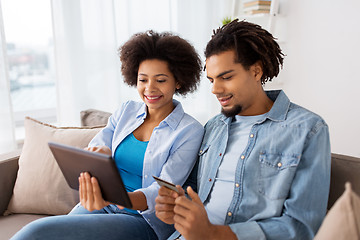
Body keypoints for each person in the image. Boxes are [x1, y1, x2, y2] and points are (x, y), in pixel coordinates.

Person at [11, 30, 204, 240]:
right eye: (143, 80)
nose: (150, 88)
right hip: (103, 206)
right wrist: (101, 153)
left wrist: (119, 199)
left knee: (37, 231)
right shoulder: (126, 111)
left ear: (178, 81)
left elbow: (163, 190)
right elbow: (98, 147)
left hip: (142, 220)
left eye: (160, 80)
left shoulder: (189, 131)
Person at [155, 19, 331, 240]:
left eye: (226, 77)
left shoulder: (308, 129)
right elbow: (194, 194)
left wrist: (212, 234)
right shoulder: (214, 127)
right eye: (211, 79)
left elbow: (302, 226)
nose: (215, 89)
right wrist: (177, 207)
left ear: (256, 71)